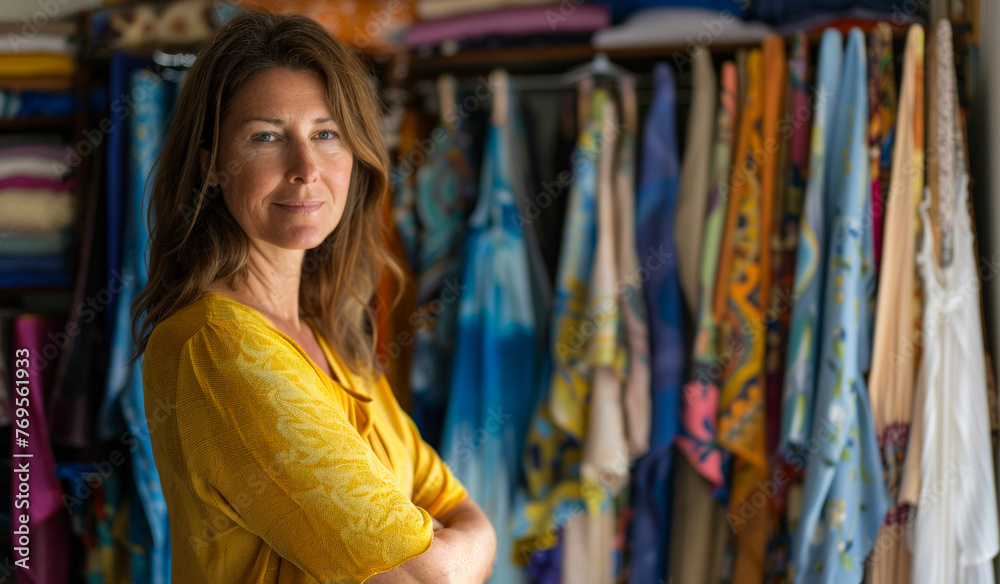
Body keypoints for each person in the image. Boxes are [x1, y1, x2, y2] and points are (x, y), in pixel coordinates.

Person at [133, 11, 496, 583]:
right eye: (266, 136)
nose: (306, 169)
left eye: (326, 133)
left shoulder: (326, 336)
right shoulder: (219, 348)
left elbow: (463, 510)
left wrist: (449, 551)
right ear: (209, 166)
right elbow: (435, 576)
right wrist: (454, 554)